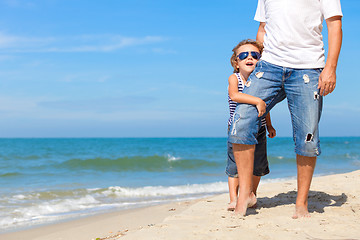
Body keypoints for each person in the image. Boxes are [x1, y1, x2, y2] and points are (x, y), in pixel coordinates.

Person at [228, 0, 343, 218]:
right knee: (241, 120)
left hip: (308, 67)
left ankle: (301, 203)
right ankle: (245, 194)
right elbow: (263, 28)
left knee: (307, 137)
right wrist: (256, 65)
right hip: (269, 66)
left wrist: (330, 68)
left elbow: (334, 25)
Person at [226, 39, 276, 211]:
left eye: (255, 56)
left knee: (258, 164)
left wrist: (269, 125)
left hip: (260, 129)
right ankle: (234, 198)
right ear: (236, 62)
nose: (250, 58)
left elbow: (264, 108)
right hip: (237, 128)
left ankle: (250, 194)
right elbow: (235, 96)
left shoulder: (261, 82)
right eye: (244, 55)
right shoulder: (235, 78)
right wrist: (257, 100)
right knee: (234, 166)